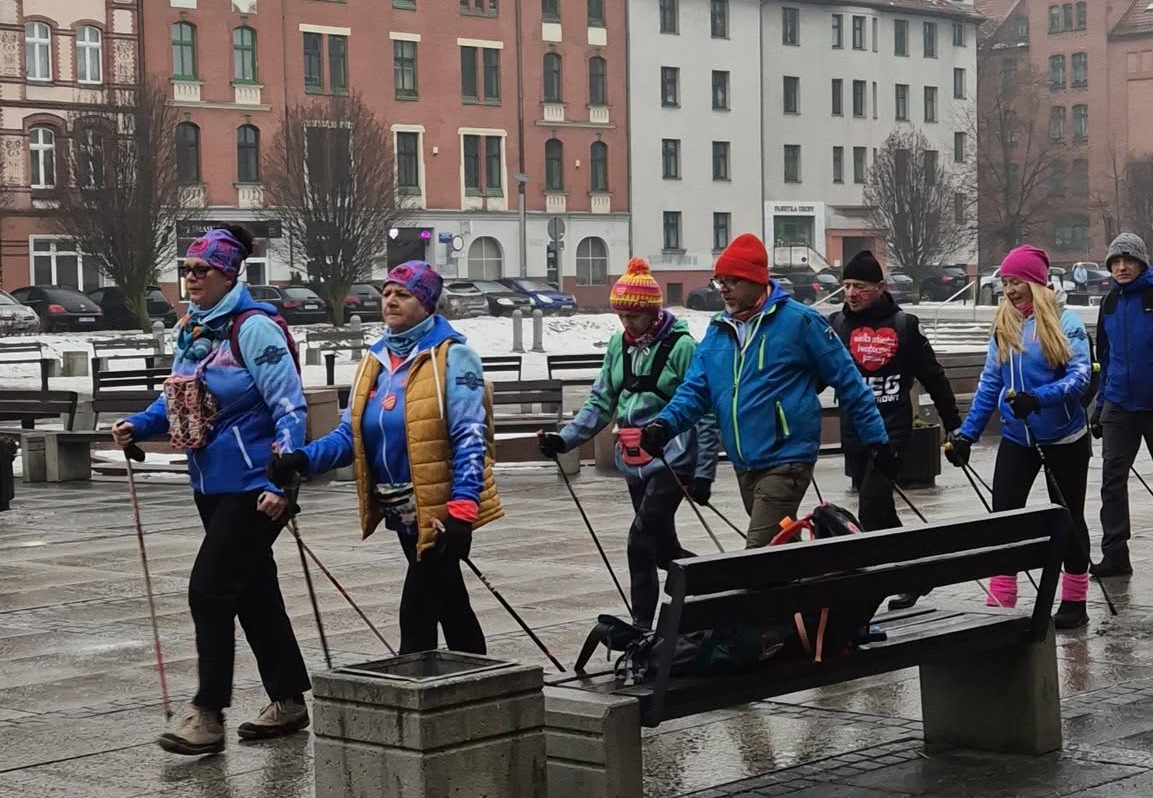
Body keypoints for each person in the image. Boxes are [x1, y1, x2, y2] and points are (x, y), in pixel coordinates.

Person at [113, 226, 311, 755]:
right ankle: (289, 700)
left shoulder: (255, 330)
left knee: (209, 588)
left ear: (229, 274)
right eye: (187, 269)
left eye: (202, 270)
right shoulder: (194, 330)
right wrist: (140, 424)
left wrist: (283, 480)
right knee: (253, 590)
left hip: (255, 486)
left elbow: (290, 408)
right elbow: (181, 403)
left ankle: (208, 711)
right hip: (210, 482)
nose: (191, 277)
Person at [269, 261, 500, 654]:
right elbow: (351, 435)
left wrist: (462, 511)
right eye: (387, 293)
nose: (390, 301)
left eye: (403, 294)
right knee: (450, 603)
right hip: (401, 509)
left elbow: (470, 438)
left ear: (427, 303)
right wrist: (303, 460)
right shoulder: (375, 361)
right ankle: (482, 690)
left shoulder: (453, 357)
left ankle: (417, 694)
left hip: (442, 508)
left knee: (417, 611)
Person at [641, 231, 893, 547]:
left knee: (759, 554)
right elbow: (694, 390)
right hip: (745, 462)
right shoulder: (719, 331)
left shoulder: (800, 322)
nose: (724, 290)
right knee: (782, 549)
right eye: (720, 281)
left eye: (732, 281)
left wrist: (876, 440)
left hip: (788, 458)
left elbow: (849, 382)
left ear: (756, 281)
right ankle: (824, 590)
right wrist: (664, 426)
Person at [536, 257, 719, 627]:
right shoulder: (620, 346)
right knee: (662, 549)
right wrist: (565, 440)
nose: (627, 324)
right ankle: (718, 584)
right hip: (634, 461)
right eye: (621, 316)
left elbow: (705, 408)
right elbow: (601, 401)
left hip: (674, 459)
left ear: (653, 312)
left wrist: (704, 473)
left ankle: (641, 628)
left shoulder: (682, 347)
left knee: (640, 541)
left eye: (634, 317)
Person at [945, 243, 1093, 629]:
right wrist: (966, 435)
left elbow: (1080, 378)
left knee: (1068, 516)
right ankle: (1001, 600)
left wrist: (1037, 398)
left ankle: (1075, 598)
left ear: (1037, 284)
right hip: (1017, 436)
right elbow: (990, 383)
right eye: (1006, 283)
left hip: (1063, 436)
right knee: (1003, 515)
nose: (1010, 290)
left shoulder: (1067, 322)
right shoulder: (1005, 324)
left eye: (1017, 282)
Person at [830, 248, 962, 607]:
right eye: (846, 286)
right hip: (854, 431)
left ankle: (871, 587)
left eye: (860, 286)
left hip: (892, 429)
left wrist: (954, 426)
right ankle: (915, 573)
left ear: (879, 287)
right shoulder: (837, 326)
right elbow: (816, 374)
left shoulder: (903, 325)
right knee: (880, 508)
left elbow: (932, 376)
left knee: (871, 507)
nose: (852, 293)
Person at [1092, 231, 1153, 578]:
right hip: (1118, 403)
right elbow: (1105, 356)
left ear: (1141, 262)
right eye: (1115, 261)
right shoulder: (1109, 303)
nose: (1121, 267)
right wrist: (1100, 405)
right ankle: (1115, 553)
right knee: (1112, 479)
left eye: (1128, 260)